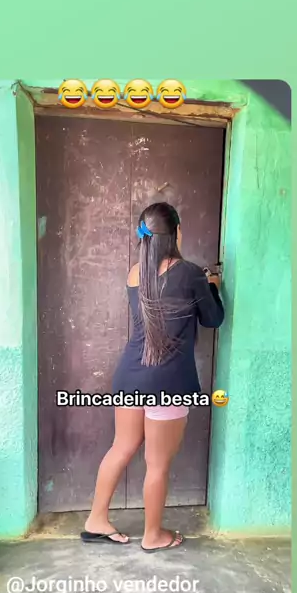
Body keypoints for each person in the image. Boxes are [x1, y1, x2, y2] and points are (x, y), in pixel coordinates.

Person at [81, 202, 224, 552]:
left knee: (121, 447)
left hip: (130, 376)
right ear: (176, 232)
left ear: (144, 237)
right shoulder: (190, 273)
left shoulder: (134, 273)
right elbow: (213, 319)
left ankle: (96, 519)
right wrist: (212, 286)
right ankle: (153, 535)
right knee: (157, 464)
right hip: (168, 383)